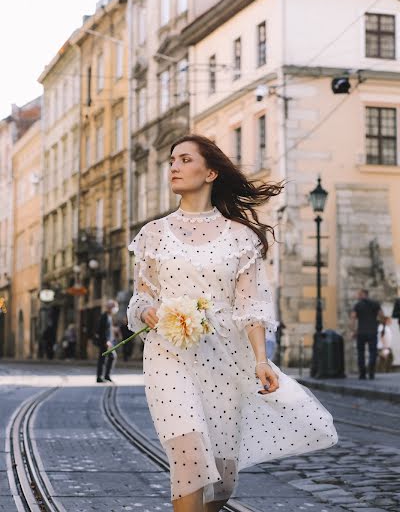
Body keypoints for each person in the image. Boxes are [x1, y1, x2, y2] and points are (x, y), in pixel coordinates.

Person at [127, 134, 337, 512]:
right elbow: (141, 296)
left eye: (184, 159)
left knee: (221, 480)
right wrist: (147, 312)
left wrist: (261, 359)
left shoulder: (241, 237)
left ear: (210, 173)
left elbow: (251, 306)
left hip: (226, 358)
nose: (173, 166)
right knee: (189, 457)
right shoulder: (153, 234)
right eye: (171, 160)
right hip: (168, 355)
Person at [350, 288, 385, 380]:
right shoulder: (375, 304)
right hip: (372, 331)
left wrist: (353, 331)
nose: (358, 296)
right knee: (373, 352)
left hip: (361, 332)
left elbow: (353, 318)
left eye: (359, 294)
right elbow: (381, 316)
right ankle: (371, 372)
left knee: (360, 353)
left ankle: (362, 374)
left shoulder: (357, 305)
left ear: (363, 294)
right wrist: (378, 322)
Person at [96, 299, 118, 383]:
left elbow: (108, 329)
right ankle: (102, 376)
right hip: (105, 342)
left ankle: (104, 376)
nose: (116, 309)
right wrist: (106, 341)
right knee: (108, 357)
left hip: (108, 341)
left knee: (105, 358)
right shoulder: (104, 316)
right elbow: (101, 330)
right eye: (114, 307)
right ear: (110, 307)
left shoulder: (108, 316)